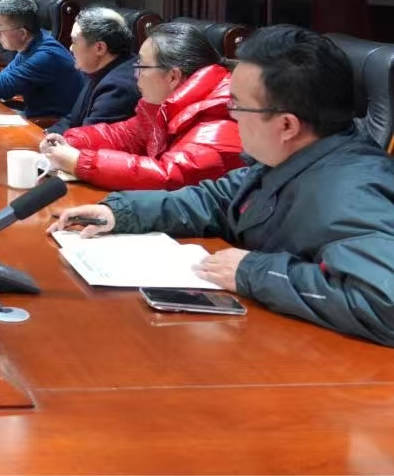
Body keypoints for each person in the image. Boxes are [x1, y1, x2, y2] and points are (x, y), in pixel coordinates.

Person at [52, 26, 394, 347]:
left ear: (287, 125)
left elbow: (383, 303)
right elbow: (215, 200)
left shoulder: (350, 191)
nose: (231, 116)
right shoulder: (288, 158)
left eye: (237, 105)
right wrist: (122, 211)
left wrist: (253, 272)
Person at [40, 21, 242, 190]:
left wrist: (81, 162)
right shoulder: (162, 105)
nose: (135, 74)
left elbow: (170, 177)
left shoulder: (218, 119)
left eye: (142, 66)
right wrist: (70, 142)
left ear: (173, 76)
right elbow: (125, 135)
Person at [0, 0, 82, 121]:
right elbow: (4, 76)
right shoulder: (34, 42)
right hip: (34, 114)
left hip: (51, 123)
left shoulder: (45, 56)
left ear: (22, 33)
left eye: (0, 29)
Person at [48, 7, 140, 135]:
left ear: (99, 48)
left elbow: (89, 139)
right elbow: (75, 118)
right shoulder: (98, 68)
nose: (71, 48)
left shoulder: (118, 86)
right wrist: (48, 133)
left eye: (74, 41)